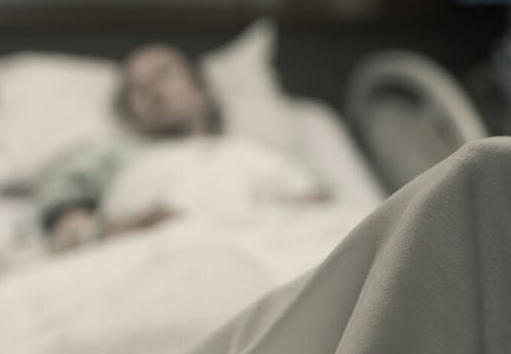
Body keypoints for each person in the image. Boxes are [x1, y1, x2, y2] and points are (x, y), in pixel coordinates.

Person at [35, 44, 324, 253]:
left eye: (163, 74)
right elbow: (67, 239)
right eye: (136, 87)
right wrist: (124, 230)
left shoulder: (259, 154)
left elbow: (324, 217)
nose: (151, 89)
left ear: (202, 89)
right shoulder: (103, 160)